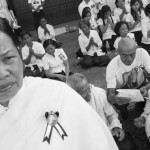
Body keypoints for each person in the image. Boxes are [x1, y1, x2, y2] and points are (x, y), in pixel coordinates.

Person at [0, 17, 119, 150]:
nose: (2, 74)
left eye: (8, 58)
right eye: (48, 49)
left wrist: (66, 76)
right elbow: (48, 72)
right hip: (53, 74)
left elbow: (97, 140)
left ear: (17, 53)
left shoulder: (58, 93)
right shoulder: (44, 58)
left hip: (64, 74)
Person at [67, 73, 135, 150]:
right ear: (74, 94)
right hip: (89, 141)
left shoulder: (98, 93)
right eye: (84, 92)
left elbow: (112, 114)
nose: (89, 92)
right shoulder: (68, 105)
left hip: (107, 132)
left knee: (128, 146)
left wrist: (116, 126)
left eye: (88, 87)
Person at [106, 37, 150, 149]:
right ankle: (126, 116)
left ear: (136, 49)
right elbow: (110, 93)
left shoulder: (142, 53)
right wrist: (114, 99)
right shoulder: (112, 66)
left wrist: (146, 87)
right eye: (125, 55)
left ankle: (143, 114)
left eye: (132, 54)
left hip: (144, 88)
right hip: (126, 93)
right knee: (125, 110)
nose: (129, 58)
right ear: (118, 52)